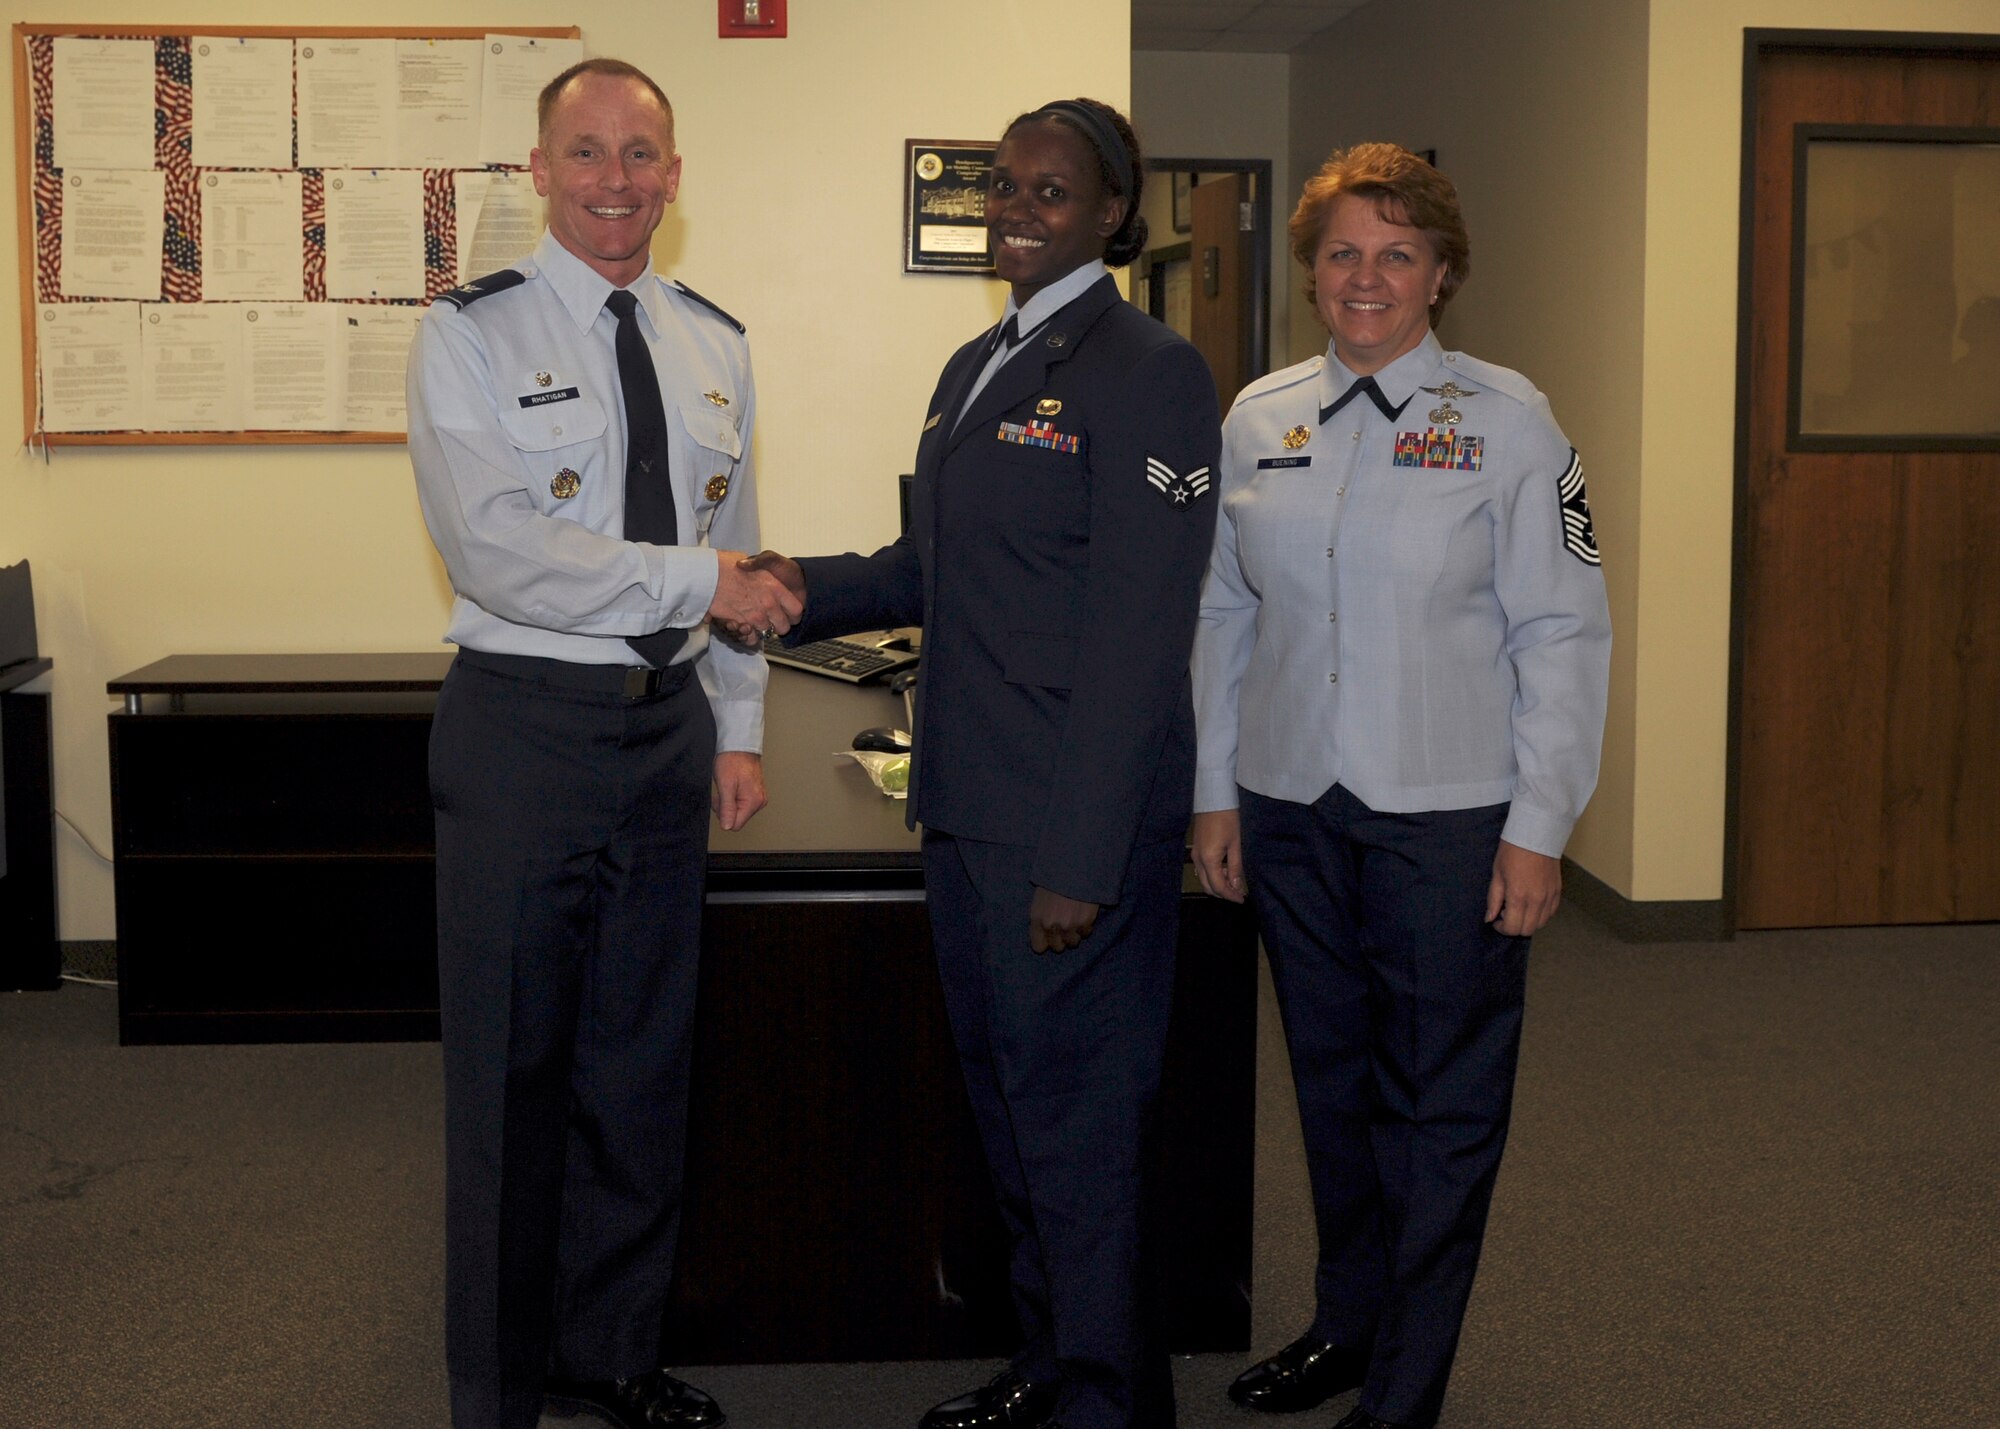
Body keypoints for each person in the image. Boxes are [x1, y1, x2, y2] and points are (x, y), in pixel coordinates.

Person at [732, 99, 1219, 1429]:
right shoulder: (975, 363)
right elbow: (923, 571)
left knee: (1080, 1142)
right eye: (1004, 185)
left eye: (1049, 191)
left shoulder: (1152, 373)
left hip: (1065, 836)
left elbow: (1138, 632)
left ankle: (1111, 1403)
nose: (1016, 207)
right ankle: (1053, 1363)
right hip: (966, 813)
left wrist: (1081, 862)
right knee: (1014, 1124)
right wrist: (789, 587)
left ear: (1111, 215)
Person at [406, 57, 801, 1429]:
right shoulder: (469, 333)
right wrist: (702, 591)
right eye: (587, 153)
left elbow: (738, 533)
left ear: (676, 176)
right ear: (540, 170)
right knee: (513, 1079)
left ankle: (612, 1355)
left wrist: (738, 724)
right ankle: (500, 1390)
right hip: (524, 731)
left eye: (642, 154)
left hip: (665, 739)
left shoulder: (715, 339)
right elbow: (502, 551)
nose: (616, 182)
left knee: (641, 1068)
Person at [1190, 144, 1611, 1429]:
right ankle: (1347, 1324)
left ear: (1439, 274)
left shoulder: (1511, 423)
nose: (1365, 277)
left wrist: (1538, 827)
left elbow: (1564, 631)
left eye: (1395, 254)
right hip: (1290, 805)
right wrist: (1215, 791)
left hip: (1447, 814)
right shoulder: (1256, 416)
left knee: (1439, 1108)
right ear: (1309, 273)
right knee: (1328, 1084)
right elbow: (1221, 613)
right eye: (1341, 254)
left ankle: (1406, 1390)